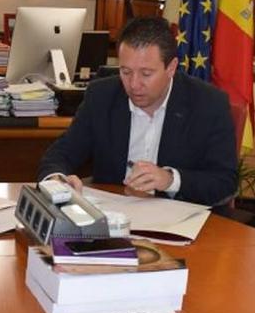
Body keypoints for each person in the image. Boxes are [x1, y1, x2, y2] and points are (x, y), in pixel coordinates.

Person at [37, 16, 238, 213]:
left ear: (171, 68)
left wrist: (170, 179)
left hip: (182, 223)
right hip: (114, 217)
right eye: (125, 72)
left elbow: (224, 182)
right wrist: (56, 180)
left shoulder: (208, 104)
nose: (134, 84)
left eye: (146, 74)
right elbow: (60, 153)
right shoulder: (102, 96)